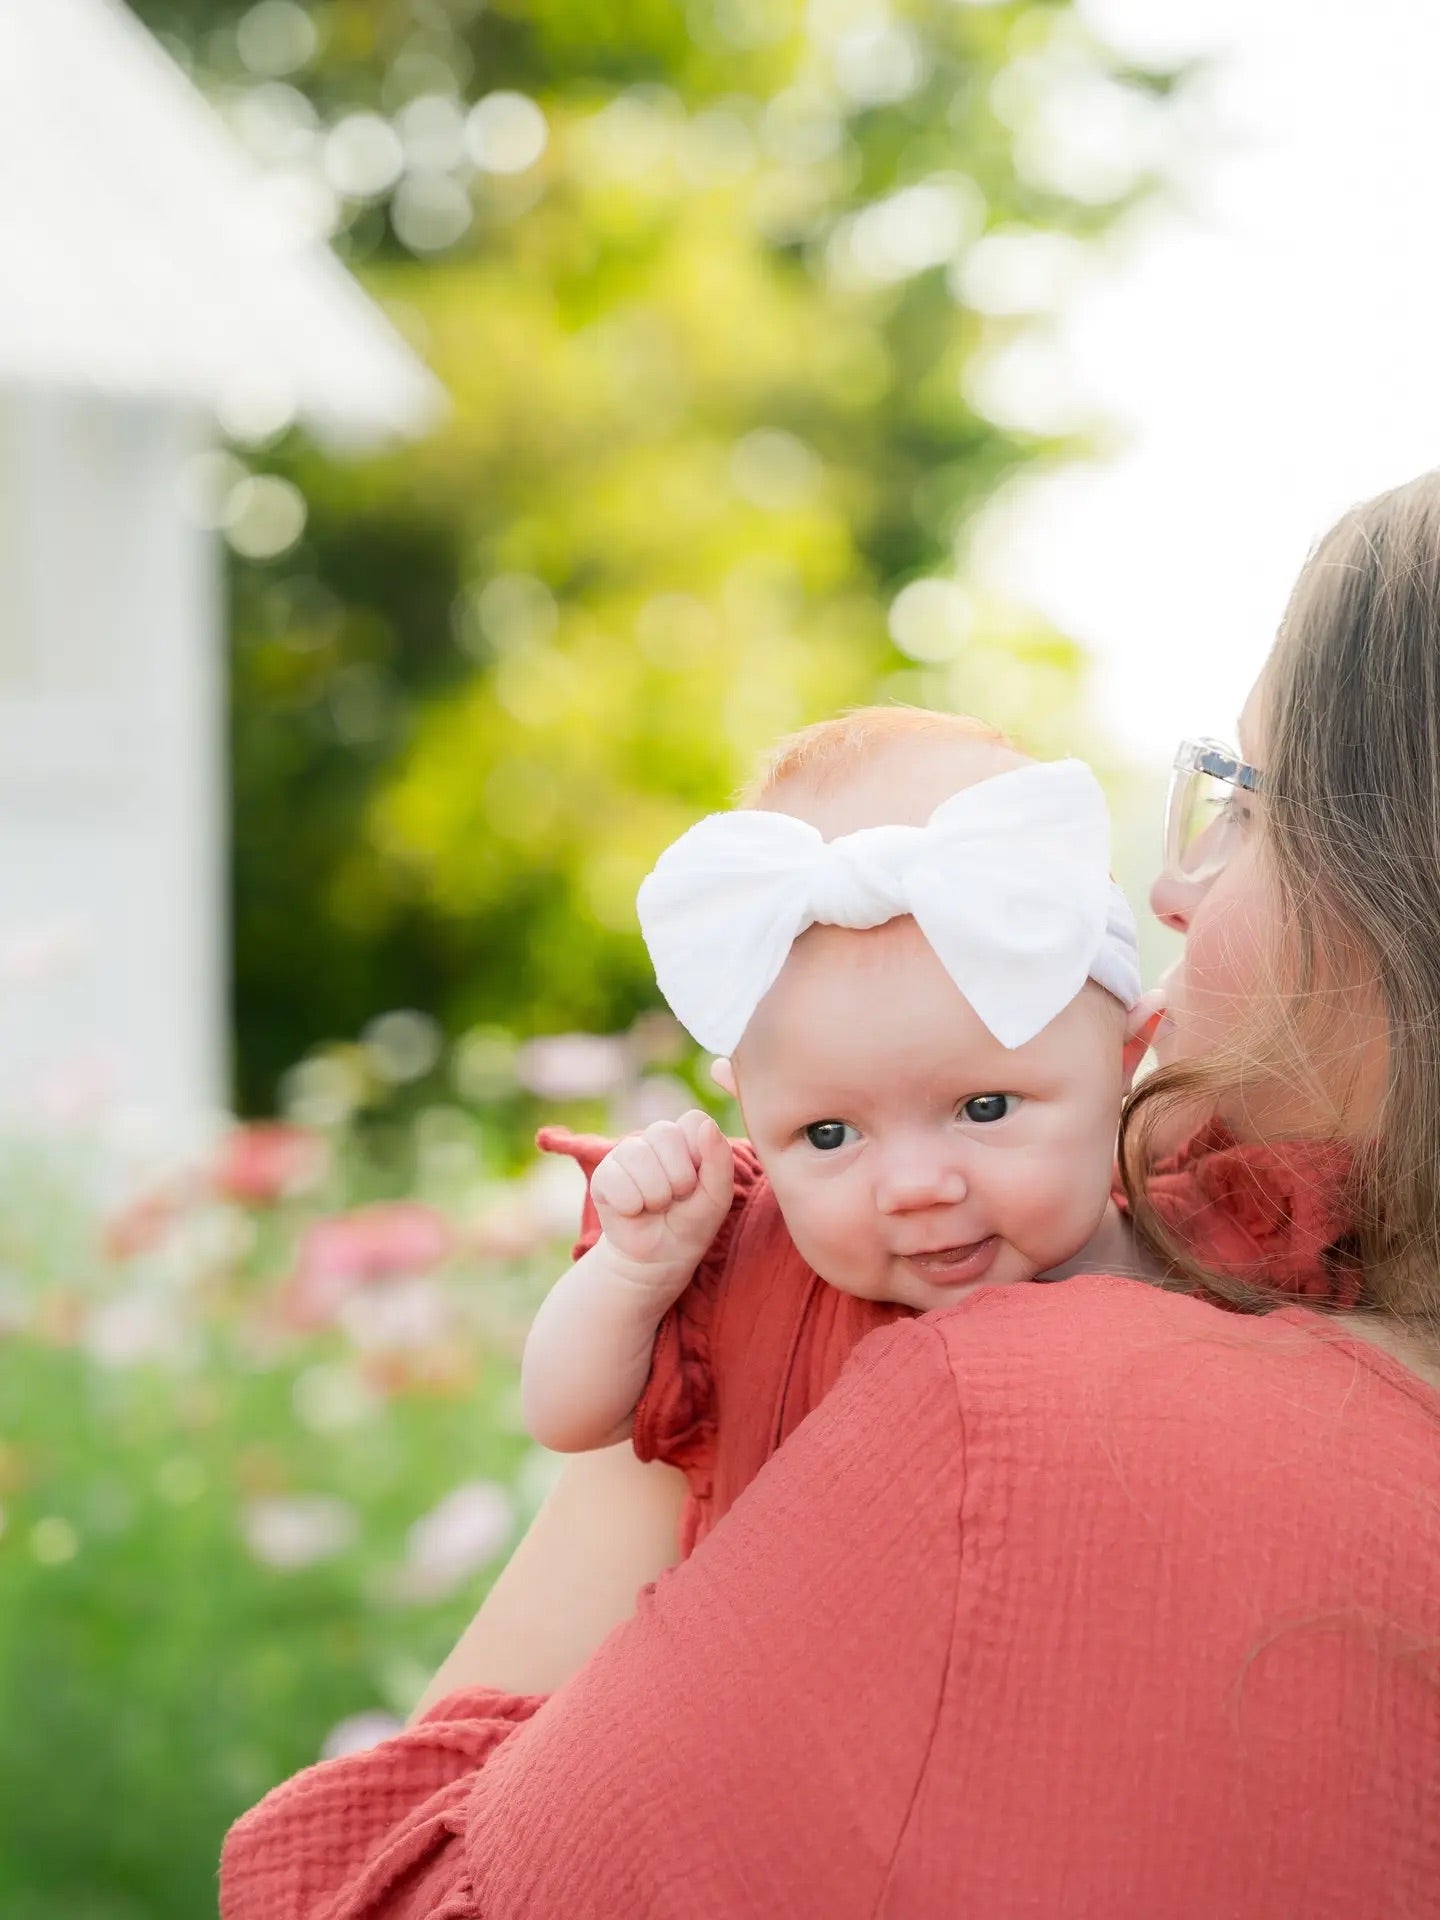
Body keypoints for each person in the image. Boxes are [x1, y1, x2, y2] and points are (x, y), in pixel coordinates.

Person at [221, 475, 1440, 1919]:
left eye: (1249, 806)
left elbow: (367, 1892)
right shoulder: (1296, 1317)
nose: (1175, 885)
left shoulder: (1021, 1420)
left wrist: (716, 1330)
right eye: (829, 1132)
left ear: (1400, 906)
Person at [521, 711, 1155, 1660]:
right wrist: (637, 1271)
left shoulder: (1193, 1264)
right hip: (769, 1718)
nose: (911, 1186)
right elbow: (566, 1414)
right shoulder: (745, 1264)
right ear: (751, 1117)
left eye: (984, 1108)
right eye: (827, 1133)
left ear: (1124, 1063)